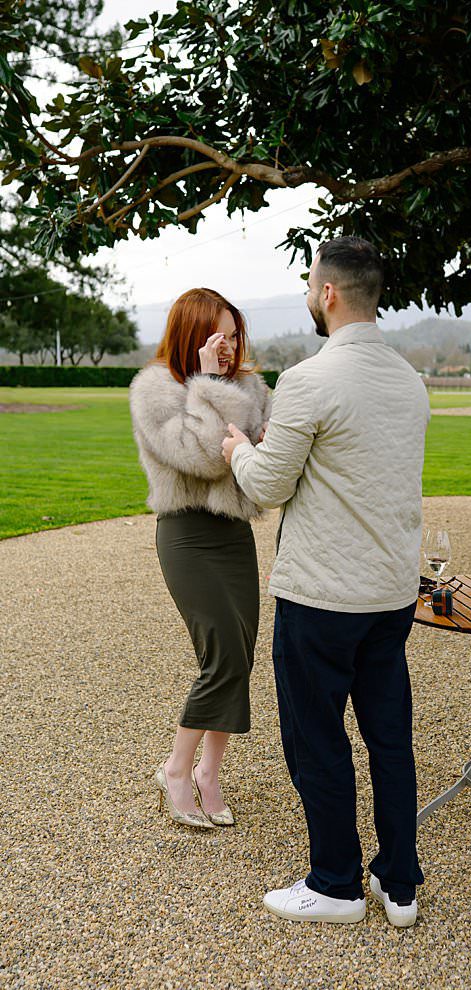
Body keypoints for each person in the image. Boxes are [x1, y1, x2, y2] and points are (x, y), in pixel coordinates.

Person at [226, 236, 432, 927]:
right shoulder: (410, 380)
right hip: (391, 596)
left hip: (321, 598)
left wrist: (234, 449)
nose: (308, 295)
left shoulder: (309, 381)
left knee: (316, 738)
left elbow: (269, 485)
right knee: (389, 738)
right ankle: (399, 887)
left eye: (310, 285)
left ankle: (336, 884)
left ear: (330, 294)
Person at [130, 288, 270, 830]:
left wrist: (243, 415)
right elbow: (206, 459)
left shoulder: (251, 386)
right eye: (218, 336)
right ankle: (176, 769)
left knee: (241, 655)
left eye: (235, 336)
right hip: (187, 535)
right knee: (222, 658)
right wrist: (209, 387)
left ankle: (210, 775)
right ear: (192, 333)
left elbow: (270, 450)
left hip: (235, 536)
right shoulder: (156, 389)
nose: (229, 347)